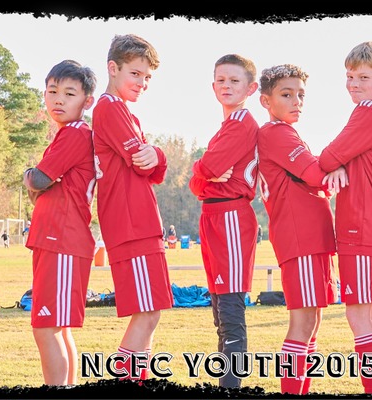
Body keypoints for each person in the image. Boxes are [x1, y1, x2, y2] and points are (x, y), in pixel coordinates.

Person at [314, 41, 372, 394]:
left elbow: (326, 157)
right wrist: (341, 163)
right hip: (368, 222)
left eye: (364, 77)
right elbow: (339, 159)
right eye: (350, 77)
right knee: (362, 315)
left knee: (359, 316)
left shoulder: (369, 112)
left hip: (360, 224)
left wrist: (337, 162)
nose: (354, 84)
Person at [91, 34, 174, 379]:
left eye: (147, 77)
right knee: (146, 312)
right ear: (113, 68)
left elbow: (154, 171)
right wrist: (156, 154)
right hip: (130, 224)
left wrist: (156, 156)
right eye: (135, 74)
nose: (142, 83)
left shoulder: (126, 112)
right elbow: (142, 163)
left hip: (142, 223)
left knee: (152, 313)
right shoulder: (109, 107)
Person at [255, 64, 339, 394]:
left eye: (301, 95)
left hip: (313, 239)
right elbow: (316, 174)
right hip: (300, 238)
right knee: (302, 324)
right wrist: (340, 162)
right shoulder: (276, 133)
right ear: (266, 101)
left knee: (312, 322)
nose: (296, 102)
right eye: (287, 95)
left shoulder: (288, 133)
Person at [22, 60, 99, 385]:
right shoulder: (65, 135)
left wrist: (28, 175)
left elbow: (38, 180)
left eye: (69, 93)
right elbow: (40, 190)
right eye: (53, 91)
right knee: (58, 327)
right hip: (55, 238)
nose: (58, 100)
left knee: (47, 327)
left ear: (87, 101)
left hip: (63, 238)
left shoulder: (76, 134)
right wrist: (37, 182)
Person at [188, 53, 261, 389]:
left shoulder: (243, 123)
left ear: (251, 88)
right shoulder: (226, 126)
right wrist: (203, 176)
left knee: (230, 308)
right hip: (213, 214)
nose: (226, 86)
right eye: (221, 80)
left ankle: (232, 386)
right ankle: (226, 383)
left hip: (231, 214)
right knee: (219, 308)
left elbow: (208, 168)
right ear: (212, 85)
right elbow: (198, 183)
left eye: (234, 80)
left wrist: (203, 172)